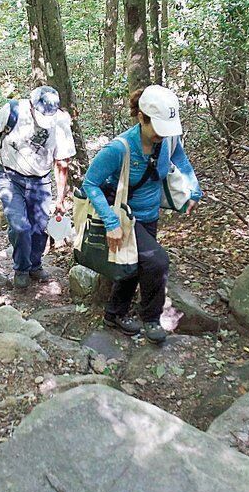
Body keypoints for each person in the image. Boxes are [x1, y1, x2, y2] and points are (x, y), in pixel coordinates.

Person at [83, 85, 202, 344]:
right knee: (157, 261)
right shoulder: (119, 149)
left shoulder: (169, 139)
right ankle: (151, 318)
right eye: (157, 127)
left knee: (134, 265)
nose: (163, 134)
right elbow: (89, 183)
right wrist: (111, 222)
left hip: (150, 214)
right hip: (124, 215)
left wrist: (194, 190)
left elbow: (181, 161)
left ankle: (114, 314)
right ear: (141, 118)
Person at [0, 85, 76, 289]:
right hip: (11, 177)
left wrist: (60, 199)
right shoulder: (13, 110)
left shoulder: (60, 122)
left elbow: (62, 163)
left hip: (40, 180)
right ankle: (21, 268)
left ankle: (35, 265)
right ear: (33, 106)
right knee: (20, 226)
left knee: (39, 227)